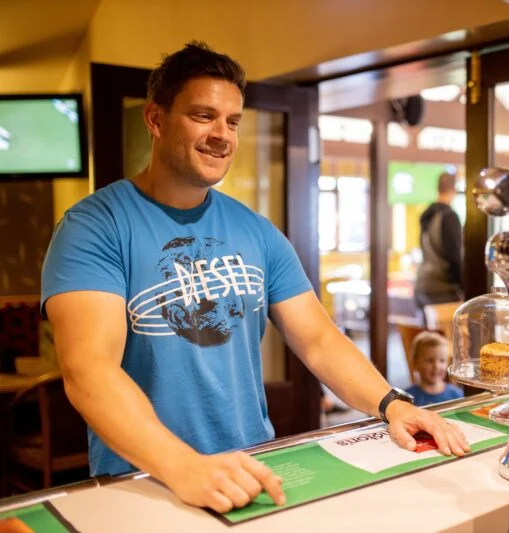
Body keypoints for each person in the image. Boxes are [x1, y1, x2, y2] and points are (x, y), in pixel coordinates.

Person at [40, 41, 469, 515]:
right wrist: (183, 466)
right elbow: (88, 371)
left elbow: (318, 339)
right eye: (203, 116)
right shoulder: (94, 226)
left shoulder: (255, 230)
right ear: (156, 120)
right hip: (143, 480)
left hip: (252, 469)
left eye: (233, 121)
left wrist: (392, 403)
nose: (222, 134)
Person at [414, 171, 463, 312]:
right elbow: (454, 256)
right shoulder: (448, 217)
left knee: (431, 333)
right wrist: (463, 285)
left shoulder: (427, 215)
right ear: (453, 190)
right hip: (443, 288)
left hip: (423, 284)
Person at [406, 331, 464, 406]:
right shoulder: (408, 398)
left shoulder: (456, 395)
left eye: (442, 360)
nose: (436, 366)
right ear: (415, 363)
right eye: (430, 360)